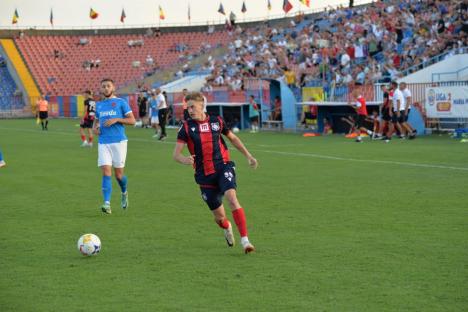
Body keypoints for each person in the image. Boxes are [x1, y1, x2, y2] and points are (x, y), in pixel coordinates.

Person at [173, 92, 258, 254]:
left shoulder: (217, 121)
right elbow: (176, 154)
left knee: (232, 199)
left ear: (201, 105)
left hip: (223, 167)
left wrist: (248, 155)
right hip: (204, 176)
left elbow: (233, 138)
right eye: (188, 107)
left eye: (193, 107)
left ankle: (246, 241)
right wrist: (184, 160)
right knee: (220, 218)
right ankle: (227, 227)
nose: (190, 110)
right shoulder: (185, 127)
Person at [93, 78, 136, 214]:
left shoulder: (121, 103)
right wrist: (96, 129)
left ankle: (124, 192)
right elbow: (96, 123)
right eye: (103, 86)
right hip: (103, 141)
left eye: (108, 86)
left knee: (118, 176)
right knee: (106, 171)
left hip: (119, 142)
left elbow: (132, 121)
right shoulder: (99, 105)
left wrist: (117, 119)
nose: (105, 88)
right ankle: (107, 203)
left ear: (113, 88)